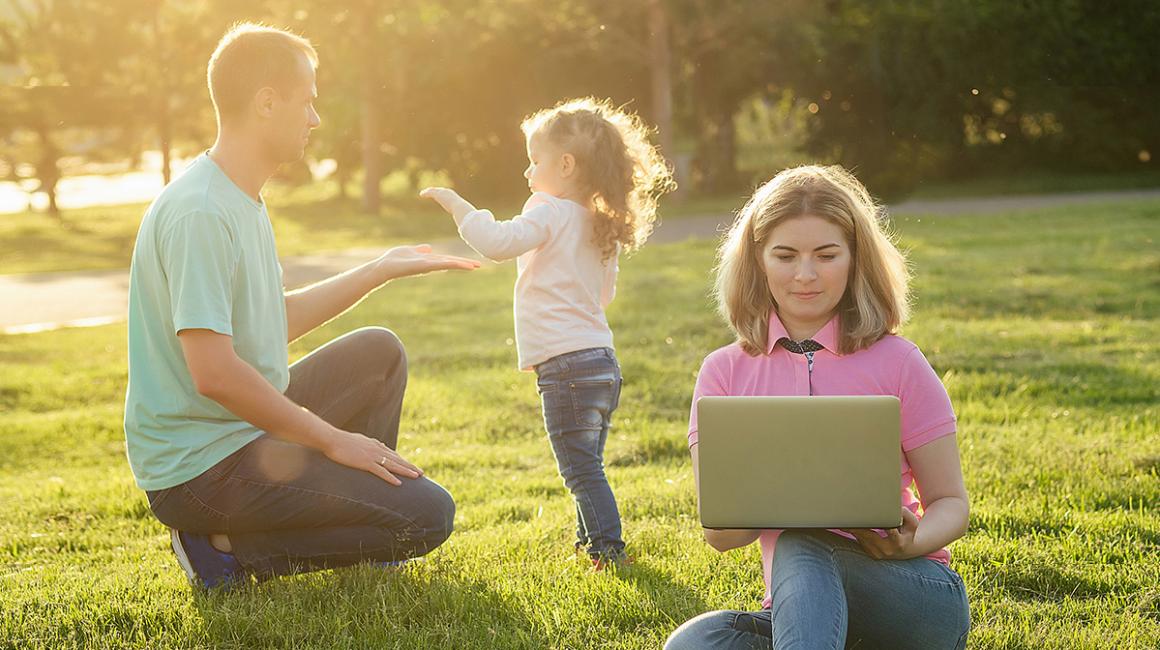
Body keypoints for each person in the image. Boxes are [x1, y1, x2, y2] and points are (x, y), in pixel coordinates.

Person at [124, 23, 480, 590]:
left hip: (240, 433)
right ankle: (223, 552)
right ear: (267, 103)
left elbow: (267, 323)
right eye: (307, 102)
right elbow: (214, 373)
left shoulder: (239, 197)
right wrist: (334, 440)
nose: (315, 119)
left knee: (379, 352)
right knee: (427, 517)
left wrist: (377, 270)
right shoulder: (201, 213)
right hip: (200, 469)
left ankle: (360, 519)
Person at [665, 165, 971, 649]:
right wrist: (778, 493)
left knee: (800, 542)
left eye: (826, 255)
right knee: (695, 643)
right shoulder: (723, 372)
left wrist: (910, 542)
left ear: (854, 260)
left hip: (913, 594)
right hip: (799, 605)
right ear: (758, 261)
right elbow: (721, 536)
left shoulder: (899, 361)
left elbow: (952, 504)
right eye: (785, 256)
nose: (805, 275)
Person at [419, 97, 675, 567]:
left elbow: (498, 243)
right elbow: (604, 296)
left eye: (534, 161)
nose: (527, 172)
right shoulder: (600, 224)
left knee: (579, 469)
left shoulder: (550, 211)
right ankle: (590, 545)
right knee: (588, 462)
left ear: (566, 164)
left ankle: (608, 550)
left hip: (566, 365)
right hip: (602, 361)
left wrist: (458, 206)